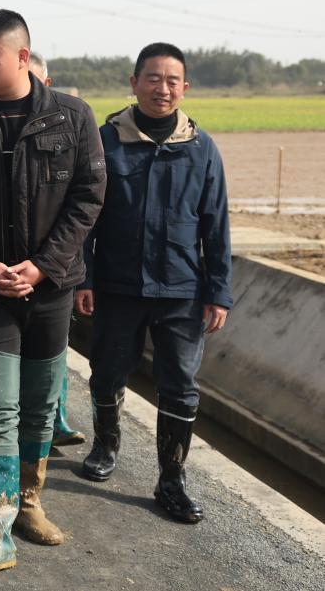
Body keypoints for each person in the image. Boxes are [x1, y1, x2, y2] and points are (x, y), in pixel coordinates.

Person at [0, 9, 105, 577]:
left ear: (22, 57)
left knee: (37, 407)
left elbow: (88, 196)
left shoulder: (72, 117)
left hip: (50, 288)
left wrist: (42, 266)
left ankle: (31, 503)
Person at [76, 42, 231, 524]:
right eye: (153, 78)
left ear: (184, 87)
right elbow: (85, 216)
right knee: (106, 373)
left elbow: (216, 224)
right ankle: (106, 445)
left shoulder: (202, 149)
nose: (162, 89)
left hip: (182, 290)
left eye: (172, 81)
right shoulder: (105, 140)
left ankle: (172, 479)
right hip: (118, 287)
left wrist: (218, 291)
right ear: (134, 82)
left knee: (180, 387)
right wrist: (85, 276)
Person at [28, 51, 85, 447]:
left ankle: (55, 418)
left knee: (53, 357)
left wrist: (50, 262)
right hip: (8, 270)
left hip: (58, 267)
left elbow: (85, 203)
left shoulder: (72, 124)